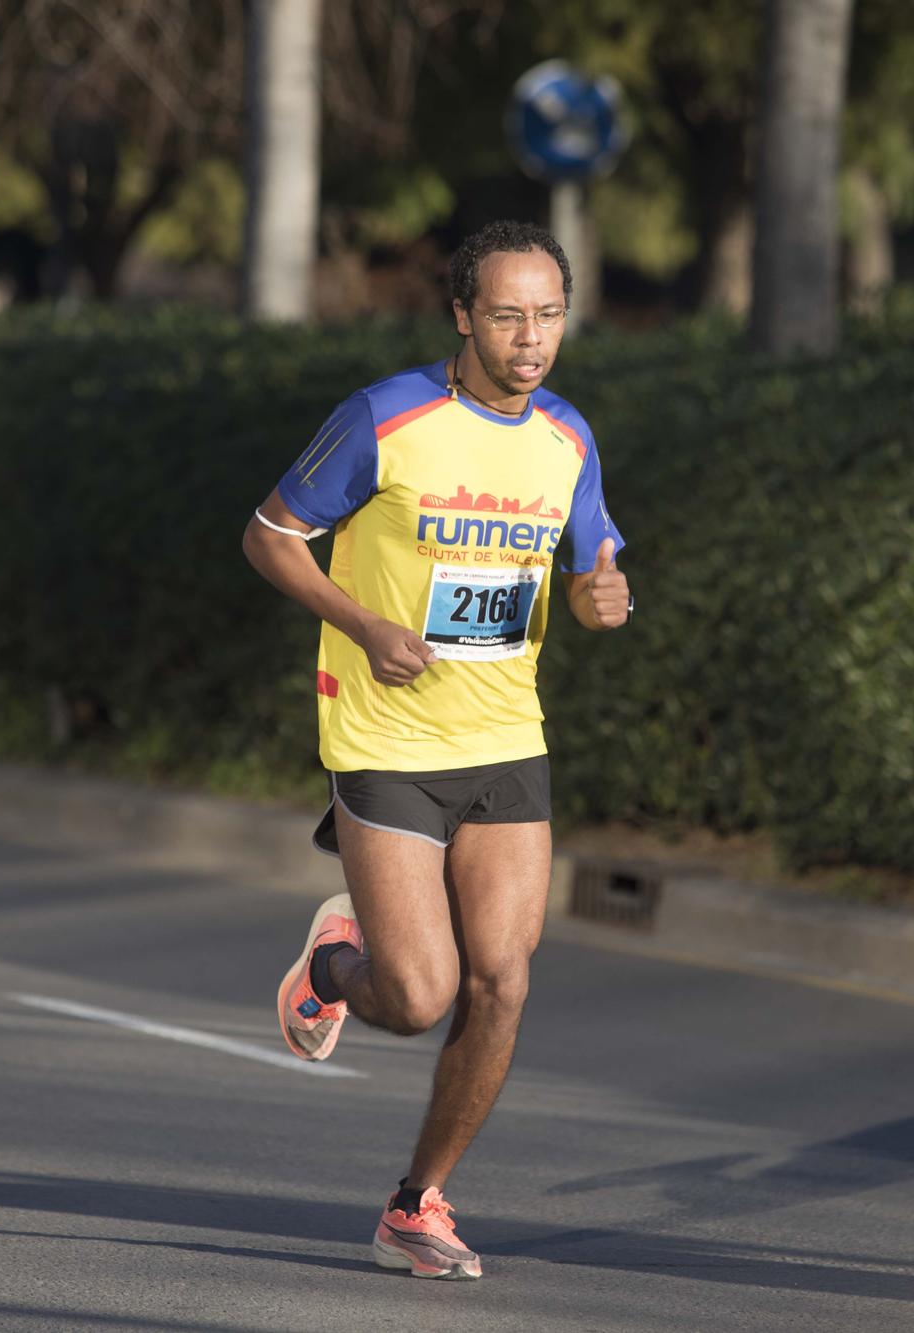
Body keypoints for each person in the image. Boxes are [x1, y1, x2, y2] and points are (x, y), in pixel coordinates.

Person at [242, 219, 631, 1280]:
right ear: (461, 315)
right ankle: (332, 961)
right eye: (507, 315)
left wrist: (604, 599)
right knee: (417, 997)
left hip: (506, 736)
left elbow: (595, 573)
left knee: (500, 980)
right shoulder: (386, 417)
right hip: (385, 733)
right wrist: (363, 625)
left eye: (548, 315)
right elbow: (269, 536)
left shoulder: (566, 437)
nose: (531, 338)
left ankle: (416, 1202)